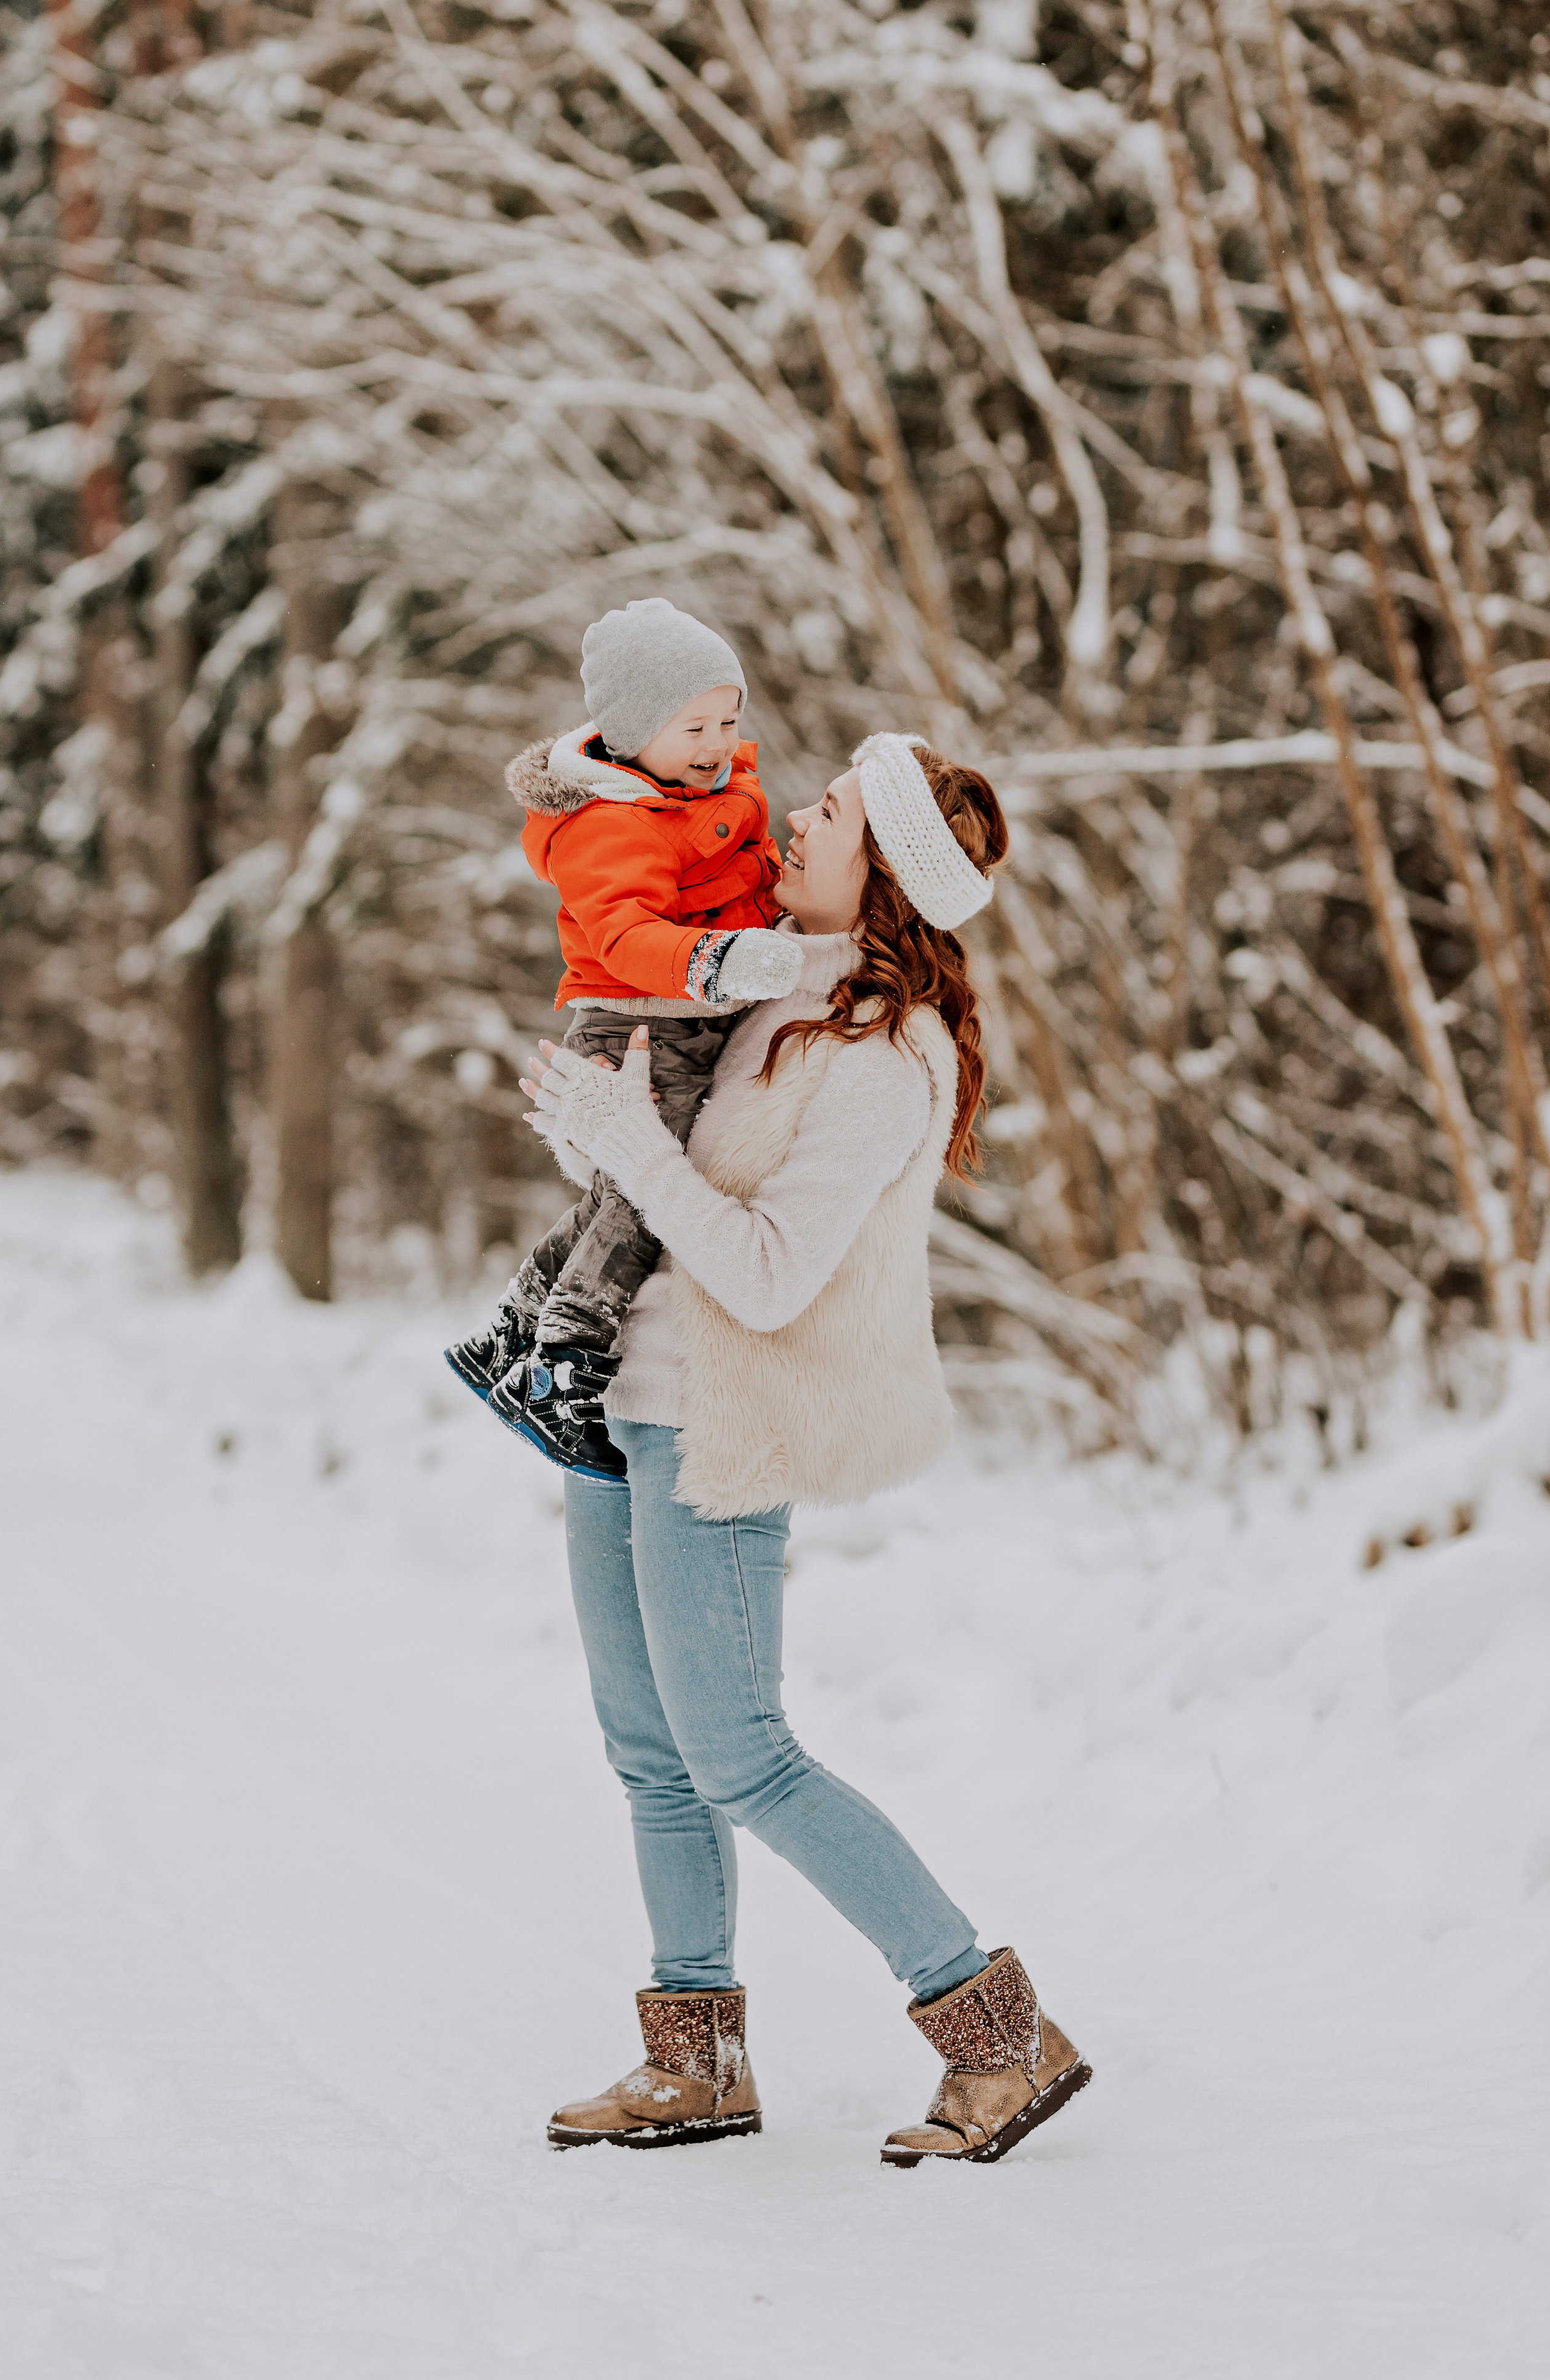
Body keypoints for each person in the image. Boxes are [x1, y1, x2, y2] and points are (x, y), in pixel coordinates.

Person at [518, 732, 1093, 2167]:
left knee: (744, 1759)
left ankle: (998, 2034)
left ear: (880, 868)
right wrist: (601, 1133)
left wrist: (634, 1153)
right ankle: (695, 2064)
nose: (792, 816)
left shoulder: (887, 1059)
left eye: (828, 811)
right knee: (649, 1755)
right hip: (630, 1408)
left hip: (731, 1423)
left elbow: (767, 1275)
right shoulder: (770, 990)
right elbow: (672, 1200)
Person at [444, 597, 803, 1481]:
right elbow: (624, 937)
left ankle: (515, 1328)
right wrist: (719, 961)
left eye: (729, 718)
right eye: (695, 725)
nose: (719, 741)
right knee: (647, 1192)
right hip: (637, 1021)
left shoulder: (700, 791)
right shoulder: (609, 823)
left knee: (624, 1192)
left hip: (681, 1018)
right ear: (634, 729)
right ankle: (562, 1364)